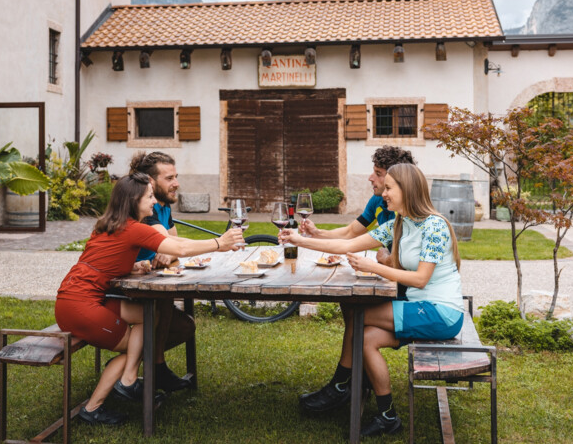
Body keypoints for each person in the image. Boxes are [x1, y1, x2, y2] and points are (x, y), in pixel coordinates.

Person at [280, 163, 465, 436]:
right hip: (419, 308)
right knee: (366, 339)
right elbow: (347, 245)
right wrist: (299, 239)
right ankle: (388, 416)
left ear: (408, 190)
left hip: (441, 313)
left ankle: (340, 385)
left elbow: (420, 279)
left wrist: (374, 267)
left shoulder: (434, 226)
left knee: (358, 315)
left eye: (389, 188)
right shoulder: (399, 224)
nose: (384, 194)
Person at [55, 173, 244, 426]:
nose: (154, 202)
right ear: (134, 200)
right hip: (80, 306)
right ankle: (96, 405)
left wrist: (132, 268)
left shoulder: (108, 225)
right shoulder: (134, 229)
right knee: (137, 347)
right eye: (150, 196)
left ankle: (128, 379)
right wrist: (219, 242)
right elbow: (180, 249)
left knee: (148, 315)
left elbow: (100, 263)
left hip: (76, 298)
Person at [295, 145, 417, 413]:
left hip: (410, 295)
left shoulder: (408, 213)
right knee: (351, 304)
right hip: (393, 284)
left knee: (355, 308)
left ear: (396, 179)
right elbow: (352, 232)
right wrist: (317, 233)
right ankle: (349, 382)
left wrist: (384, 260)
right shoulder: (377, 203)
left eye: (378, 173)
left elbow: (405, 263)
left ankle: (343, 384)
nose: (371, 179)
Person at [128, 151, 196, 392]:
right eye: (169, 178)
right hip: (128, 290)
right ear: (151, 182)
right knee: (169, 312)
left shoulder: (163, 207)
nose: (176, 183)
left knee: (186, 324)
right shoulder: (145, 210)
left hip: (151, 285)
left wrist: (170, 250)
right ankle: (145, 367)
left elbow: (173, 248)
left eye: (176, 176)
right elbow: (174, 246)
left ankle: (149, 366)